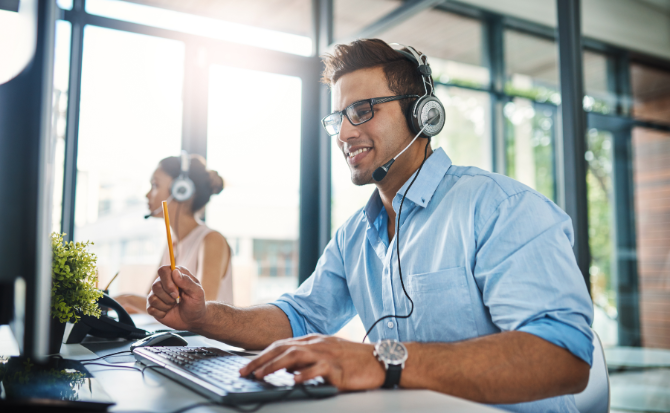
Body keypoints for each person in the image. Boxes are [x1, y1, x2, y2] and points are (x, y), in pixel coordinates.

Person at [146, 39, 594, 412]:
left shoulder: (501, 208)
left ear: (423, 115)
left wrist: (382, 360)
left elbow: (563, 356)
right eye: (338, 117)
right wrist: (205, 317)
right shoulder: (355, 235)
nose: (343, 133)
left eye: (362, 111)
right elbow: (298, 316)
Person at [115, 154, 232, 313]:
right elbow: (152, 303)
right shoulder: (173, 244)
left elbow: (202, 310)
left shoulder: (211, 240)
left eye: (155, 185)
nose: (147, 195)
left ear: (180, 190)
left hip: (204, 339)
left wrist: (127, 299)